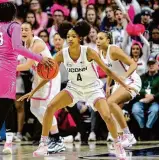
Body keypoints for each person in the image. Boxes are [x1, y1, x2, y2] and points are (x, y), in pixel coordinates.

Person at [18, 20, 136, 159]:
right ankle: (44, 144)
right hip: (74, 88)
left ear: (80, 38)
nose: (70, 39)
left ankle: (118, 145)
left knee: (107, 116)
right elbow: (49, 75)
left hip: (93, 88)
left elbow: (108, 71)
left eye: (73, 36)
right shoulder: (62, 54)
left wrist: (123, 83)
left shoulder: (89, 52)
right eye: (68, 36)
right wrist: (33, 91)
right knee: (50, 107)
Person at [0, 2, 53, 160]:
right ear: (12, 13)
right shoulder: (14, 26)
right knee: (2, 111)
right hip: (4, 72)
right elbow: (17, 47)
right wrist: (39, 58)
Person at [14, 22, 65, 154]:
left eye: (26, 29)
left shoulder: (37, 44)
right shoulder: (24, 44)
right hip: (38, 77)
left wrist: (6, 68)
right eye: (21, 30)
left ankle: (56, 139)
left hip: (50, 78)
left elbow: (26, 66)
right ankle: (54, 136)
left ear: (32, 31)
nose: (23, 32)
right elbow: (17, 59)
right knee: (34, 108)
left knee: (46, 108)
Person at [97, 32, 141, 148]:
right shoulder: (101, 53)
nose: (98, 41)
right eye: (97, 38)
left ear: (108, 40)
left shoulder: (114, 50)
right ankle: (122, 138)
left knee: (111, 102)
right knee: (112, 109)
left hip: (131, 80)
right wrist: (107, 86)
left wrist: (125, 77)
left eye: (101, 38)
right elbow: (110, 71)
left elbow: (133, 64)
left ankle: (129, 136)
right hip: (119, 83)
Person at [132, 56, 159, 140]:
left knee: (154, 110)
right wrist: (145, 95)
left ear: (157, 65)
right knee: (135, 110)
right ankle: (142, 128)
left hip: (156, 100)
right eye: (149, 64)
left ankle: (147, 129)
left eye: (153, 64)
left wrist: (153, 97)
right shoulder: (142, 77)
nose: (151, 66)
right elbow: (137, 88)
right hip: (142, 99)